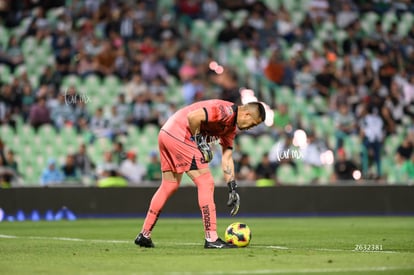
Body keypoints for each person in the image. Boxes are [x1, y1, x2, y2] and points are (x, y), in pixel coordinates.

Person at [134, 100, 266, 249]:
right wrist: (199, 141)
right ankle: (211, 238)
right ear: (247, 114)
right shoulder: (226, 111)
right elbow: (193, 117)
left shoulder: (230, 128)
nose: (251, 128)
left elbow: (227, 158)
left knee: (169, 185)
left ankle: (144, 234)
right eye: (253, 123)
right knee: (206, 182)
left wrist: (232, 187)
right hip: (180, 134)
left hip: (166, 133)